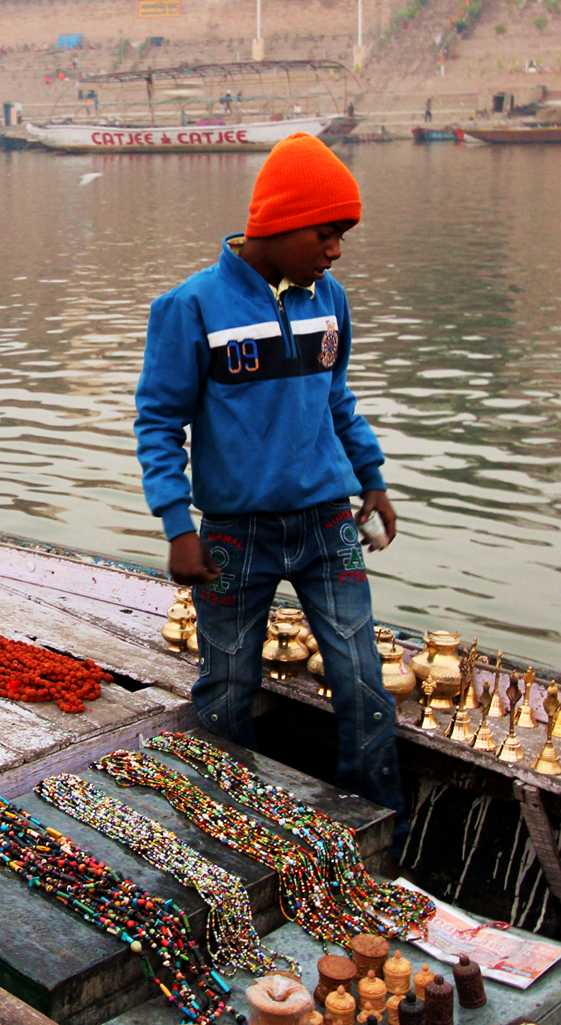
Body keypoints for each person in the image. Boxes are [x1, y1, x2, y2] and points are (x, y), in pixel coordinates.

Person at [134, 133, 406, 837]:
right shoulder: (189, 309)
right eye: (327, 232)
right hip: (233, 535)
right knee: (227, 688)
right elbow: (160, 424)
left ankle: (377, 835)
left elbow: (336, 398)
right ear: (280, 225)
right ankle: (226, 832)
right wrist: (178, 526)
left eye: (342, 235)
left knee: (363, 683)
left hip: (327, 525)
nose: (336, 250)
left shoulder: (330, 300)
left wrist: (371, 480)